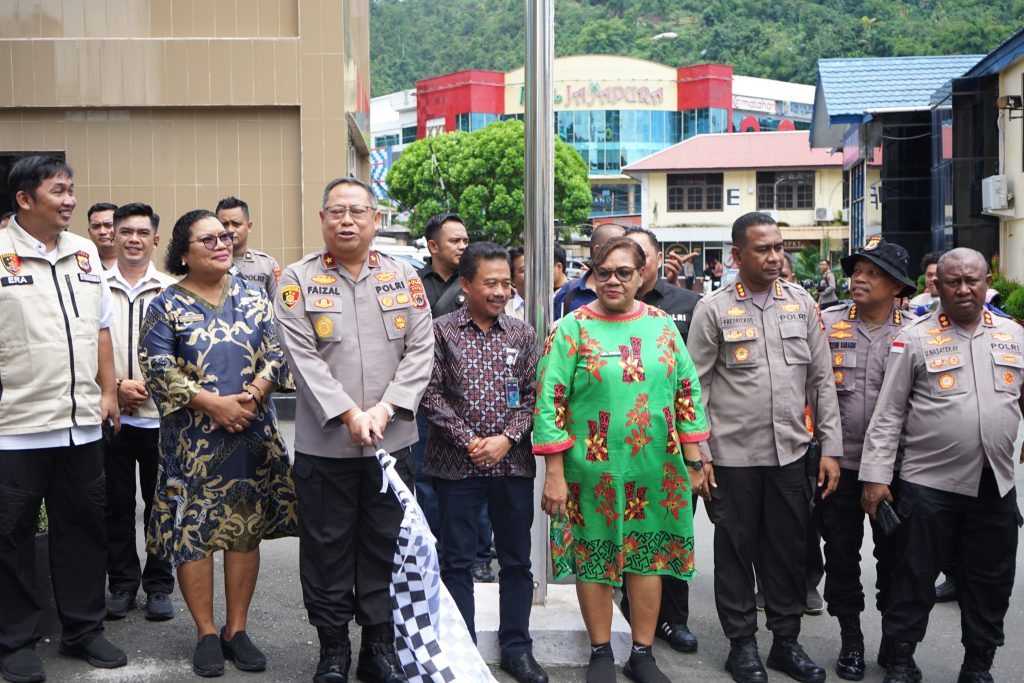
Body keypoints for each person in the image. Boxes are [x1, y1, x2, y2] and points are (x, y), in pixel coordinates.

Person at [274, 177, 434, 683]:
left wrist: (385, 409)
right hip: (326, 448)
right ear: (322, 218)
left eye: (357, 211)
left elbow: (421, 351)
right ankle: (333, 650)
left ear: (375, 219)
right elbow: (302, 359)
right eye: (337, 211)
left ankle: (378, 650)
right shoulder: (296, 280)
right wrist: (349, 414)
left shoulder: (403, 277)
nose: (347, 220)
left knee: (388, 546)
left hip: (392, 443)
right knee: (327, 549)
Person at [535, 236, 709, 683]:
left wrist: (693, 460)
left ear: (642, 274)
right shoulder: (570, 329)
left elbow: (686, 391)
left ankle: (642, 653)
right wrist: (554, 473)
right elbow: (550, 402)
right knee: (595, 559)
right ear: (593, 275)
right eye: (604, 272)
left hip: (656, 469)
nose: (613, 281)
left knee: (646, 559)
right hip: (588, 471)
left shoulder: (662, 326)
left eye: (624, 273)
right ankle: (599, 652)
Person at [140, 209, 297, 677]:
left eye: (224, 237)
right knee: (194, 533)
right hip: (192, 444)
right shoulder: (165, 304)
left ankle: (237, 629)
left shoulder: (253, 295)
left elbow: (278, 352)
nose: (221, 245)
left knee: (244, 531)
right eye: (207, 240)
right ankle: (206, 631)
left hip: (251, 435)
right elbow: (157, 367)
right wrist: (213, 404)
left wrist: (253, 394)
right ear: (183, 253)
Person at [687, 212, 842, 683]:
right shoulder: (713, 309)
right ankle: (742, 647)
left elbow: (821, 381)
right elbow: (694, 388)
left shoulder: (801, 303)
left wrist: (830, 448)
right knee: (735, 553)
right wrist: (700, 456)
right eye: (763, 249)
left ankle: (786, 644)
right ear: (737, 256)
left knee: (788, 552)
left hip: (790, 455)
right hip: (731, 459)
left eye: (778, 247)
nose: (775, 257)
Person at [860, 248, 1023, 683]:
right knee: (912, 578)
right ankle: (900, 661)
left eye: (973, 280)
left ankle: (977, 666)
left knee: (990, 582)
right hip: (928, 485)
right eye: (954, 281)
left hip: (994, 485)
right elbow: (888, 414)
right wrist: (875, 478)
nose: (964, 289)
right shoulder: (914, 338)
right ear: (936, 286)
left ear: (987, 283)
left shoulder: (1013, 334)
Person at [0, 156, 127, 683]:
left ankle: (82, 630)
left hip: (81, 423)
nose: (70, 199)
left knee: (83, 529)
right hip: (15, 426)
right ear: (25, 198)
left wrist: (109, 390)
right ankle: (15, 640)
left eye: (72, 189)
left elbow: (100, 328)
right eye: (59, 190)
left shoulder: (84, 252)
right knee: (11, 536)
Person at [421, 242, 548, 683]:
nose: (500, 291)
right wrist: (472, 441)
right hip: (456, 467)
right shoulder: (439, 332)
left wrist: (506, 439)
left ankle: (517, 649)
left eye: (506, 284)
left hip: (512, 466)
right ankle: (463, 651)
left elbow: (534, 396)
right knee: (456, 562)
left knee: (516, 561)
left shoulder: (522, 334)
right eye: (490, 283)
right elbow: (429, 395)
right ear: (466, 283)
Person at [818, 237, 917, 681]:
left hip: (897, 470)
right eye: (856, 270)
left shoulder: (916, 331)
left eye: (872, 273)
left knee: (897, 560)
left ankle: (895, 644)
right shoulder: (827, 323)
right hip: (837, 466)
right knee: (841, 556)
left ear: (897, 286)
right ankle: (851, 640)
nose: (859, 278)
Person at [616, 227, 704, 654]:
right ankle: (628, 618)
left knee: (670, 535)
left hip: (670, 450)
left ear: (654, 261)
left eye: (640, 256)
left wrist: (697, 453)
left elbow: (695, 381)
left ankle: (674, 619)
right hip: (616, 451)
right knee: (621, 538)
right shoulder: (599, 307)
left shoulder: (687, 306)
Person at [102, 202, 178, 623]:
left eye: (142, 232)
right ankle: (122, 584)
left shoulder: (172, 289)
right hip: (110, 417)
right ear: (114, 236)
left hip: (160, 418)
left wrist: (155, 385)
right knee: (114, 505)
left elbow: (185, 351)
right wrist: (115, 386)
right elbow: (82, 345)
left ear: (156, 239)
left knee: (160, 504)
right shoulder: (94, 284)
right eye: (126, 231)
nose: (134, 239)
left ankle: (159, 585)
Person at [553, 222, 626, 318]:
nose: (628, 253)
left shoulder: (633, 291)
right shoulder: (568, 293)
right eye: (620, 248)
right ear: (598, 250)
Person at [216, 196, 281, 300]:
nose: (230, 230)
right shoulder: (208, 262)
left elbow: (278, 305)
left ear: (249, 226)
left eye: (236, 224)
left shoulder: (267, 264)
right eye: (224, 224)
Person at [418, 211, 470, 318]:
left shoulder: (475, 281)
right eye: (455, 241)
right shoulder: (413, 282)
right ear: (433, 246)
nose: (463, 246)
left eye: (465, 241)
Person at [908, 251, 943, 316]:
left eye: (938, 275)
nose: (933, 279)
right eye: (929, 275)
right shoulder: (915, 302)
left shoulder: (954, 302)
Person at [87, 201, 118, 270]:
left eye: (108, 225)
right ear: (89, 232)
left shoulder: (135, 259)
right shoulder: (83, 262)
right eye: (96, 226)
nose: (102, 232)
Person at [505, 246, 526, 320]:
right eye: (523, 270)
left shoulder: (553, 304)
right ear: (512, 280)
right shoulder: (504, 310)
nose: (532, 272)